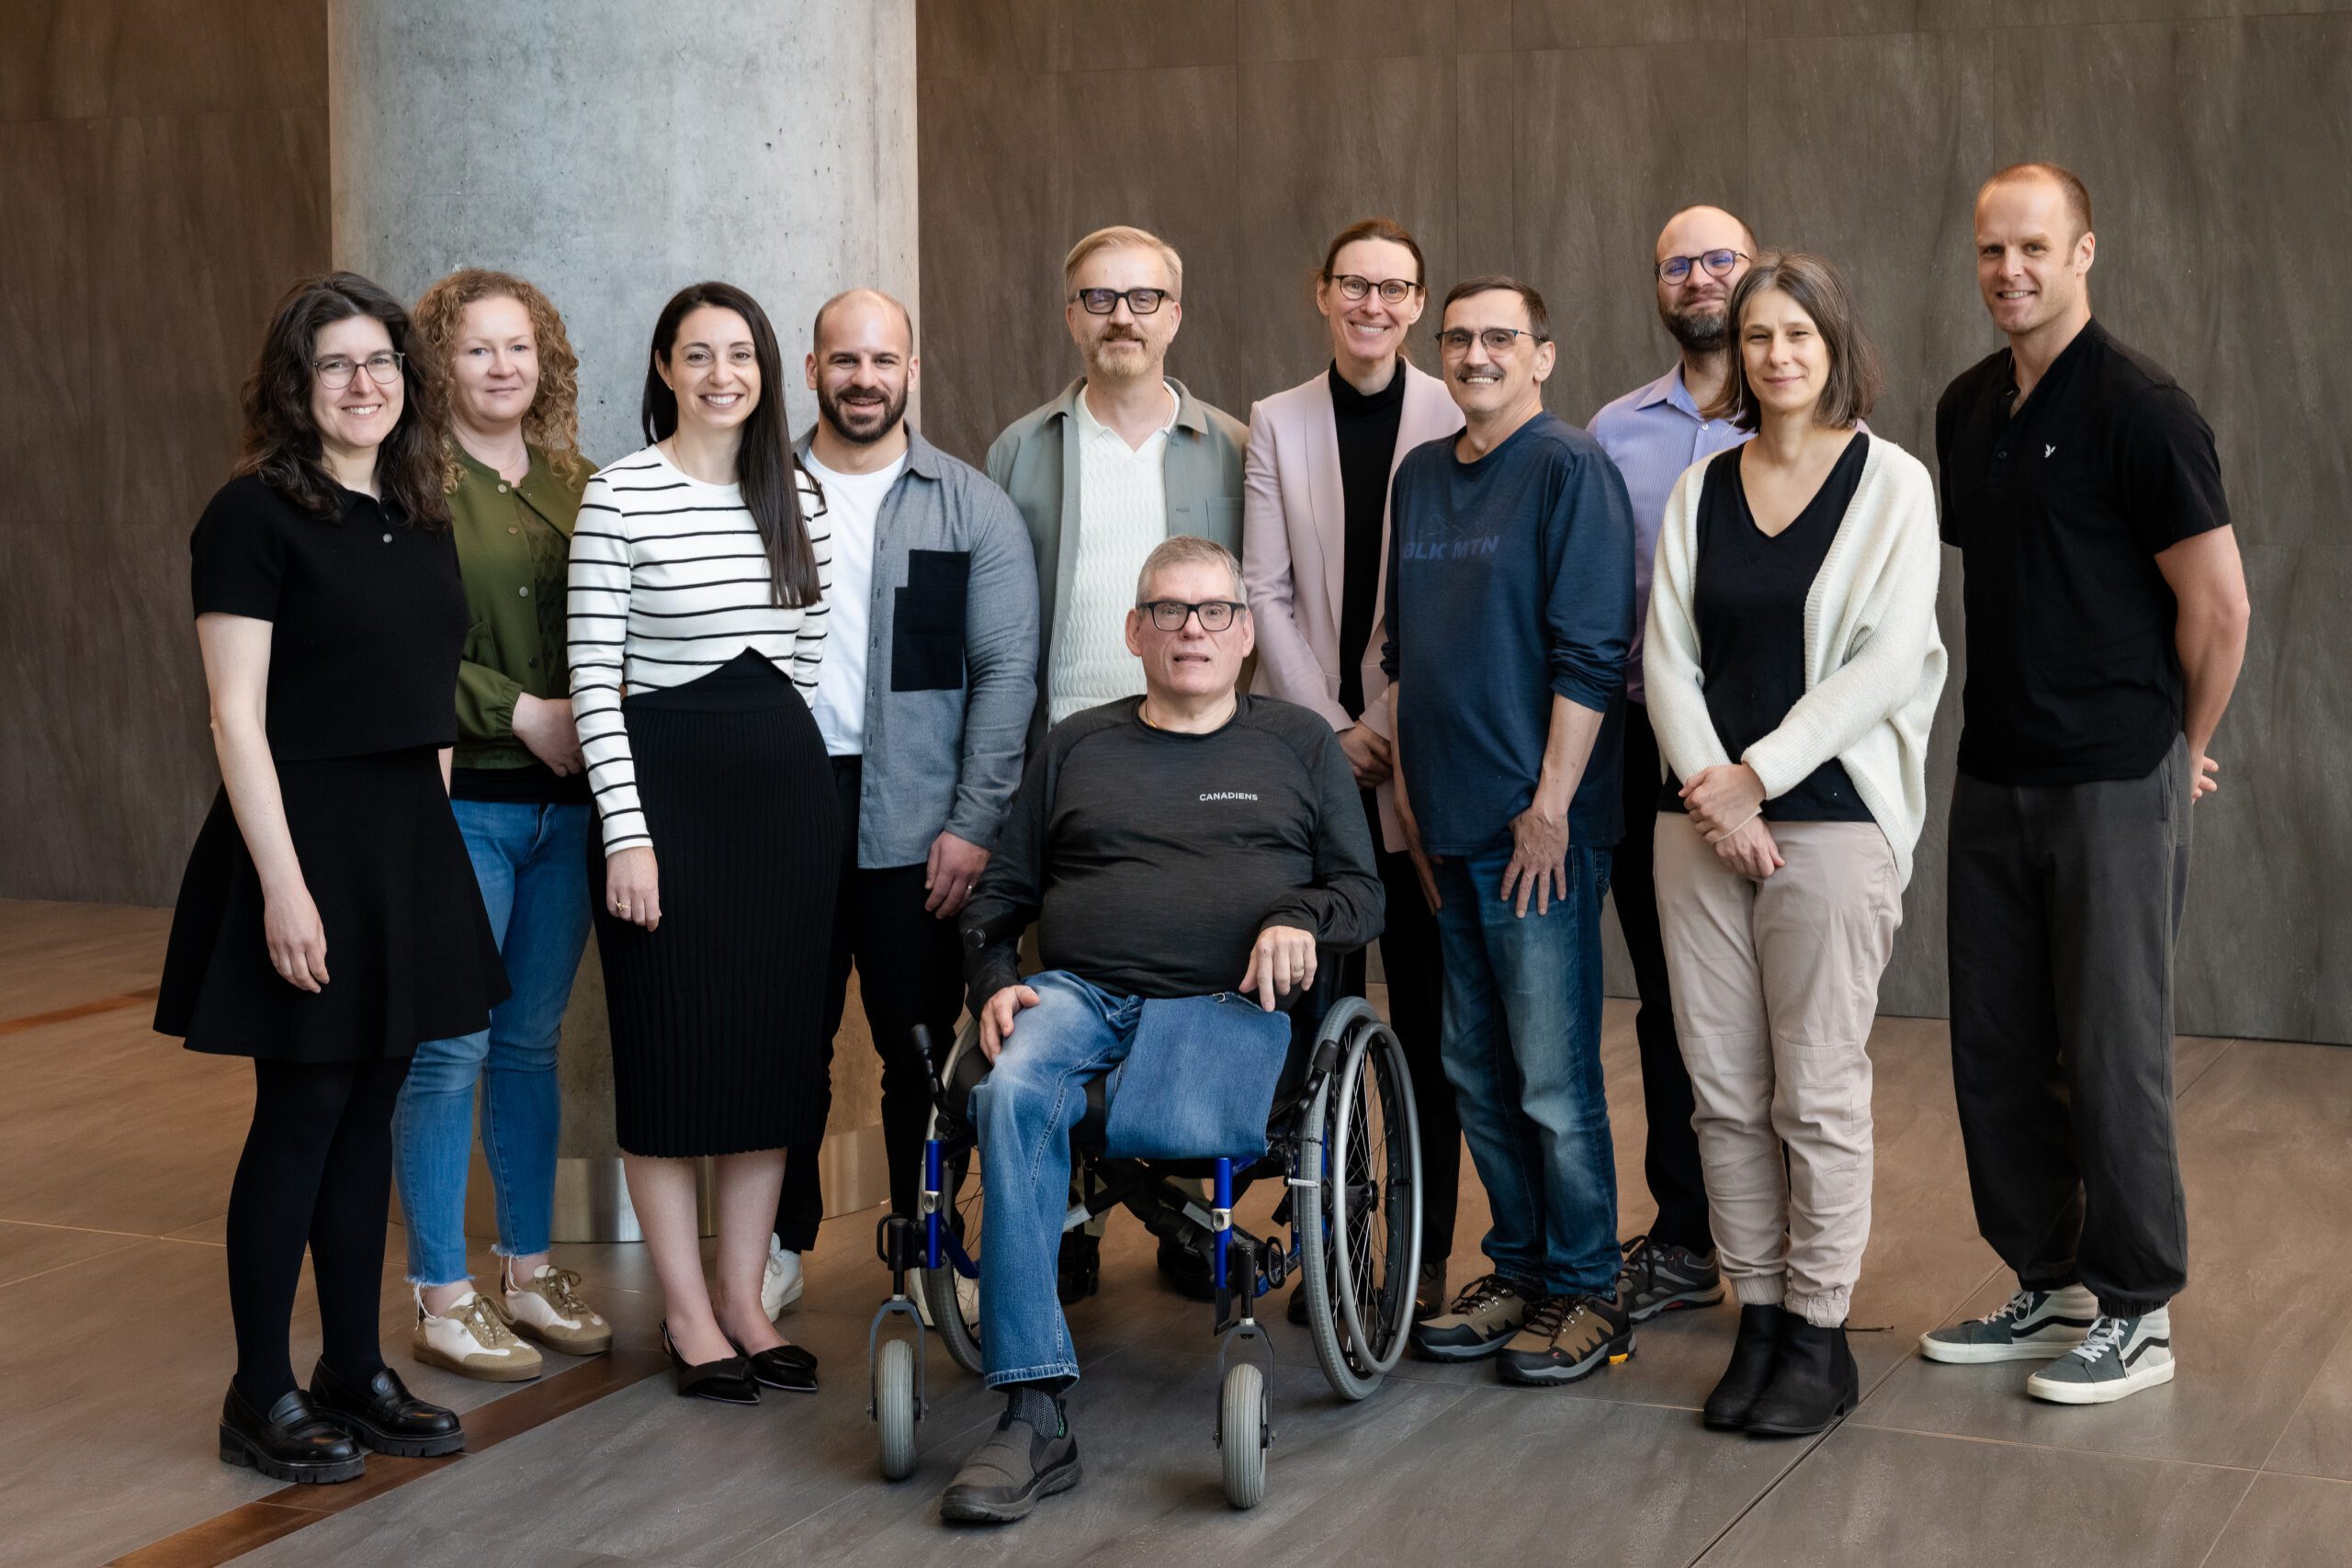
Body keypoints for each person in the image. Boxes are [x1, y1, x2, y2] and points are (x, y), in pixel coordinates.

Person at [939, 536, 1383, 1524]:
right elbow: (1000, 897)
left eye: (1214, 611)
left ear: (1246, 633)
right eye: (1170, 612)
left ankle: (1200, 1314)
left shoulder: (1299, 745)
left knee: (1181, 1122)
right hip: (1079, 994)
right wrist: (995, 981)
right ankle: (1034, 1409)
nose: (1193, 630)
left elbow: (1362, 893)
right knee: (1008, 1090)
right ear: (1134, 632)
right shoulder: (1078, 744)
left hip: (1224, 1006)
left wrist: (1295, 919)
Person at [156, 272, 502, 1481]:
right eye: (337, 365)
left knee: (371, 1117)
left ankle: (353, 1366)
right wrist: (284, 888)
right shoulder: (250, 515)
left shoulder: (421, 506)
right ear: (296, 390)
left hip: (405, 839)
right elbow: (233, 717)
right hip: (298, 840)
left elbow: (431, 701)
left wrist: (435, 847)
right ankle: (262, 1390)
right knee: (300, 1114)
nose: (367, 383)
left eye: (383, 361)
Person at [1920, 164, 2248, 1404]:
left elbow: (2220, 608)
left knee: (2114, 1052)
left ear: (2086, 252)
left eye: (2035, 248)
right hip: (1995, 769)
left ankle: (2138, 1307)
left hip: (2115, 777)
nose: (2011, 270)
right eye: (1992, 250)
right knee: (1999, 1047)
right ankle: (2050, 1277)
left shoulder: (2143, 408)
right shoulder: (1966, 409)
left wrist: (2177, 744)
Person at [1645, 253, 1948, 1436]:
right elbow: (1664, 653)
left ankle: (1821, 1335)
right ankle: (1759, 1317)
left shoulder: (1893, 485)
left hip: (1830, 821)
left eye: (1797, 336)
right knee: (1720, 1093)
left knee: (1814, 1092)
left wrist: (1757, 779)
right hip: (1700, 830)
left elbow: (1889, 661)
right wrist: (1713, 795)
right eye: (1758, 336)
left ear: (1834, 346)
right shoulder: (1700, 489)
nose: (1776, 356)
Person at [567, 281, 834, 1403]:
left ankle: (741, 1301)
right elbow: (593, 679)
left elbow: (811, 655)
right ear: (664, 370)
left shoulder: (797, 493)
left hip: (782, 811)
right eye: (697, 354)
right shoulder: (618, 493)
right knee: (673, 1067)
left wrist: (787, 768)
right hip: (662, 806)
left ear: (765, 371)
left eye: (741, 354)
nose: (722, 373)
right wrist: (628, 836)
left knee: (770, 1068)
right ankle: (687, 1315)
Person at [986, 223, 1250, 1300]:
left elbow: (1250, 607)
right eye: (1099, 298)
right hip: (1066, 763)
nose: (1122, 318)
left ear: (1176, 315)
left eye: (1144, 298)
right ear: (1070, 315)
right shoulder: (1021, 448)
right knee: (1069, 990)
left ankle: (1187, 1205)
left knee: (1185, 981)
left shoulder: (1231, 446)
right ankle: (1074, 1215)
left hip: (1196, 756)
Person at [761, 288, 1038, 1314]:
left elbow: (1007, 674)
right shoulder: (760, 497)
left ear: (910, 371)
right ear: (813, 370)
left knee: (917, 1048)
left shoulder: (972, 507)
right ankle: (777, 1245)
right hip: (785, 811)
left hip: (919, 821)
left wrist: (974, 821)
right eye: (844, 360)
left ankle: (924, 1247)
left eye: (883, 361)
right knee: (780, 1043)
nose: (863, 379)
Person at [1385, 277, 1638, 1386]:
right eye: (1460, 339)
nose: (1477, 354)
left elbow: (1592, 655)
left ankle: (1587, 1288)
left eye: (1500, 338)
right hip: (1444, 823)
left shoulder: (1569, 467)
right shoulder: (1421, 477)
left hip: (1538, 830)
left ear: (1542, 354)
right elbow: (1406, 658)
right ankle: (1521, 1266)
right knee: (1476, 1070)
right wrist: (1406, 798)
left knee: (1548, 1072)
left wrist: (1550, 809)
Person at [1239, 217, 1464, 1321]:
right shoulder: (1275, 423)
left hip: (1421, 748)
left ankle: (1417, 1258)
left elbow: (1461, 600)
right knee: (1313, 1011)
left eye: (1395, 288)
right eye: (1354, 286)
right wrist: (1331, 727)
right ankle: (1321, 1243)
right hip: (1310, 757)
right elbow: (1260, 590)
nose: (1373, 305)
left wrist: (1384, 717)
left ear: (1417, 305)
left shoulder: (1456, 407)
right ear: (1319, 293)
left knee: (1425, 1016)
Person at [394, 268, 609, 1382]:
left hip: (569, 814)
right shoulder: (412, 488)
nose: (501, 367)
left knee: (527, 1046)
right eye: (476, 349)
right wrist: (515, 708)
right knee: (450, 1048)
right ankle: (440, 1290)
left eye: (519, 347)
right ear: (439, 363)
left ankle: (526, 1272)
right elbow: (393, 646)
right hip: (463, 804)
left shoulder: (584, 485)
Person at [1585, 205, 1758, 1323]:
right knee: (1665, 1000)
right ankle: (1688, 1235)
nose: (1697, 277)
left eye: (1718, 260)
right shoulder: (1612, 430)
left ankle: (1784, 1241)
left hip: (1760, 746)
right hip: (1635, 739)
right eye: (1676, 263)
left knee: (1769, 1003)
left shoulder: (1801, 406)